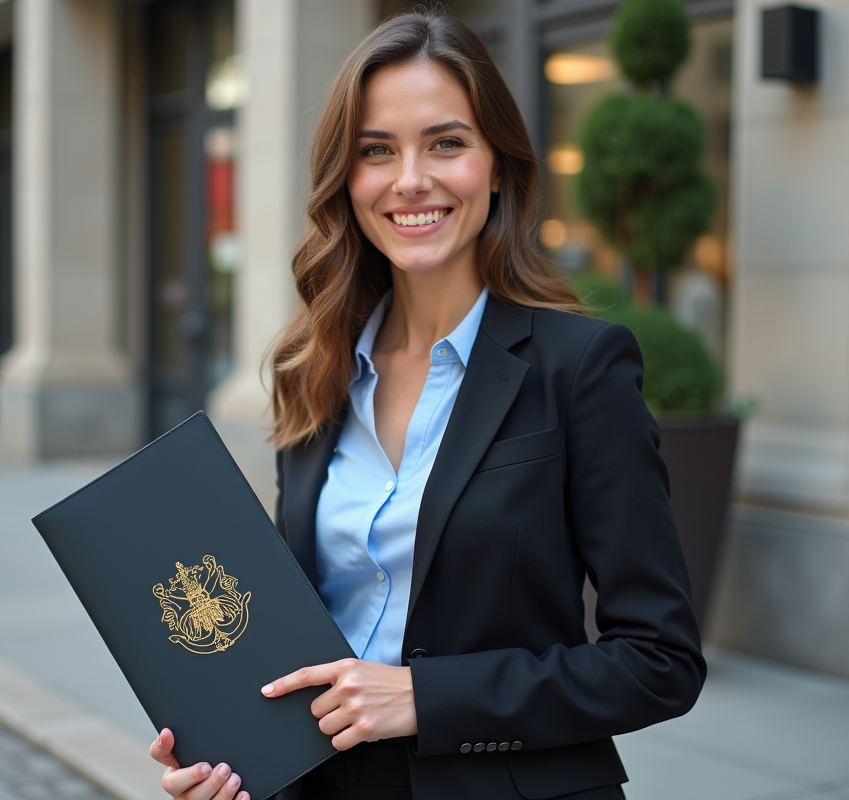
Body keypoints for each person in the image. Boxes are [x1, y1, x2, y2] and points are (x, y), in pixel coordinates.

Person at [150, 10, 705, 800]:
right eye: (377, 150)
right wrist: (231, 755)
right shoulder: (313, 370)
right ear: (347, 180)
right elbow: (293, 630)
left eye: (446, 143)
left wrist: (425, 698)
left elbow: (660, 662)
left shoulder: (579, 368)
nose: (410, 180)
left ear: (498, 167)